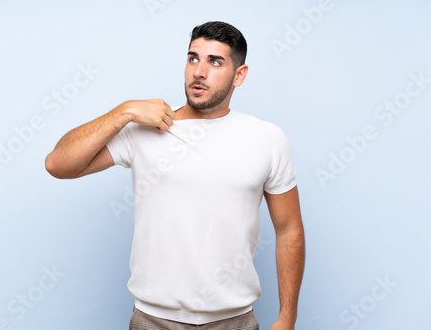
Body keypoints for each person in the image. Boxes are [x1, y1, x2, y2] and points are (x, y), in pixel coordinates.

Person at [45, 21, 305, 330]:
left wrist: (287, 318)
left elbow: (289, 229)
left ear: (239, 75)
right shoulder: (145, 129)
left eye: (215, 61)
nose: (199, 71)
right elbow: (58, 164)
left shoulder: (267, 138)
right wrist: (123, 111)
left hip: (235, 322)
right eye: (193, 58)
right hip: (153, 321)